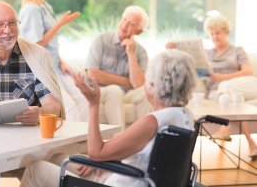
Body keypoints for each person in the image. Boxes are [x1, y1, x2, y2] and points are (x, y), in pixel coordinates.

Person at [19, 49, 197, 187]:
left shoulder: (152, 122)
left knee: (36, 168)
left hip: (124, 182)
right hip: (136, 177)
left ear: (152, 84)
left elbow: (97, 152)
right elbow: (143, 155)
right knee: (56, 157)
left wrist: (93, 104)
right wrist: (102, 160)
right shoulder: (185, 117)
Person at [0, 1, 65, 186]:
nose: (8, 30)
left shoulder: (36, 56)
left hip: (25, 147)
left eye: (12, 23)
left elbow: (54, 106)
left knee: (47, 167)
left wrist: (39, 114)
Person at [167, 12, 257, 158]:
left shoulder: (237, 50)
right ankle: (251, 143)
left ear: (227, 32)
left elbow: (248, 71)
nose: (215, 36)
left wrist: (221, 78)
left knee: (226, 87)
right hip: (218, 93)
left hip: (240, 86)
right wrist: (174, 50)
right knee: (224, 97)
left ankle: (225, 129)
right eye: (211, 33)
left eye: (218, 33)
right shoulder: (207, 54)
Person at [19, 0, 88, 122]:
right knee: (68, 106)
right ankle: (69, 143)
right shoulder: (31, 10)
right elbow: (35, 46)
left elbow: (51, 45)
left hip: (55, 65)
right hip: (43, 70)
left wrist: (62, 62)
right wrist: (60, 24)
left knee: (84, 98)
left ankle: (83, 141)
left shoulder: (45, 6)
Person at [85, 5, 151, 128]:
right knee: (115, 90)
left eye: (132, 24)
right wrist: (126, 81)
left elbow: (138, 85)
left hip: (126, 94)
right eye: (124, 19)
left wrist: (131, 53)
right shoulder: (102, 40)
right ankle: (119, 141)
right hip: (101, 91)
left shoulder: (141, 52)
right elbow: (93, 74)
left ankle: (146, 140)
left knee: (147, 93)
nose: (125, 25)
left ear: (139, 32)